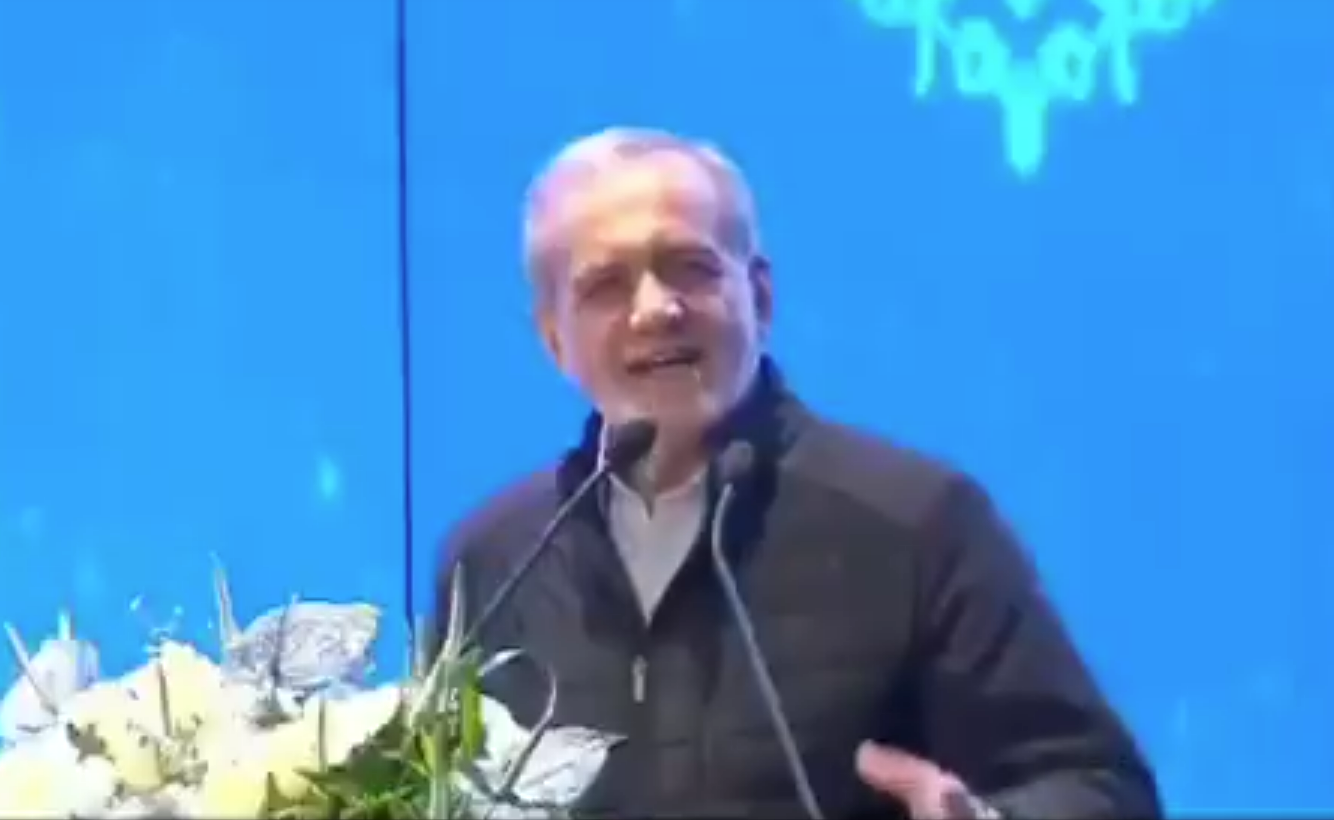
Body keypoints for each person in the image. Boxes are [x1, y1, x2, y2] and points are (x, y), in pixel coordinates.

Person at [429, 126, 1161, 819]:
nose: (656, 309)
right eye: (607, 286)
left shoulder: (915, 522)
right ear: (554, 339)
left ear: (761, 297)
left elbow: (1097, 788)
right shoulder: (496, 561)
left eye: (691, 267)